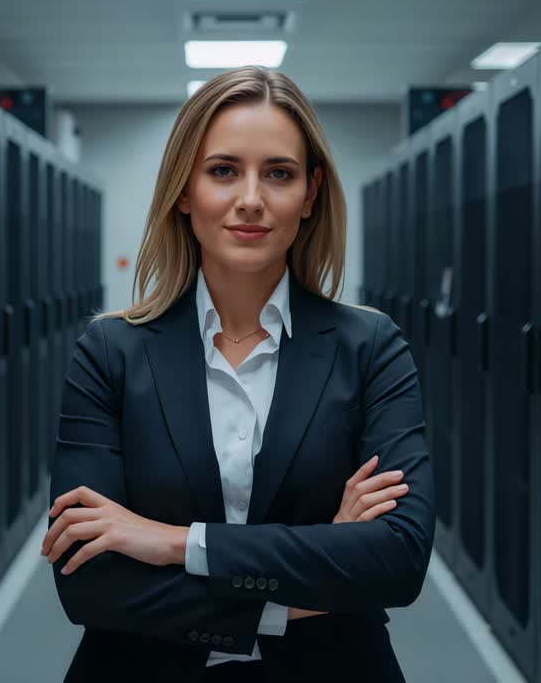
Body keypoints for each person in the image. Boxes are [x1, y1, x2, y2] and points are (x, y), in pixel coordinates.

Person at [39, 65, 435, 683]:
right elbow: (89, 583)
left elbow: (398, 560)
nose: (251, 197)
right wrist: (322, 566)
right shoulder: (110, 350)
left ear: (309, 194)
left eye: (278, 173)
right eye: (223, 171)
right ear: (183, 190)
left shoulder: (370, 347)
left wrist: (174, 542)